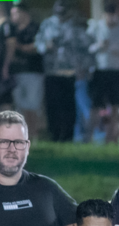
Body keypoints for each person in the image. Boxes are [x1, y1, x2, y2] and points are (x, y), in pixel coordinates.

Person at [36, 0, 92, 142]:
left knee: (68, 106)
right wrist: (46, 46)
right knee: (52, 106)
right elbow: (38, 43)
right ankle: (54, 135)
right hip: (51, 72)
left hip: (69, 72)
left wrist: (83, 67)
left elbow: (86, 48)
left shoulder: (76, 25)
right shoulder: (47, 24)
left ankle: (68, 136)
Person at [87, 3, 119, 144]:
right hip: (100, 71)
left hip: (116, 71)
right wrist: (99, 46)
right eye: (108, 14)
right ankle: (90, 136)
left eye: (113, 14)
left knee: (115, 106)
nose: (111, 18)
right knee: (96, 105)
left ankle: (111, 138)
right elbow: (87, 48)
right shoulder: (96, 28)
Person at [6, 3, 44, 139]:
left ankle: (33, 135)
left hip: (33, 72)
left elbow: (37, 47)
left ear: (24, 13)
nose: (13, 17)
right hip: (17, 73)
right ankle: (22, 137)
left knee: (32, 106)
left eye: (15, 13)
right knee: (20, 106)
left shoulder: (36, 28)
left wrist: (18, 46)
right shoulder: (12, 30)